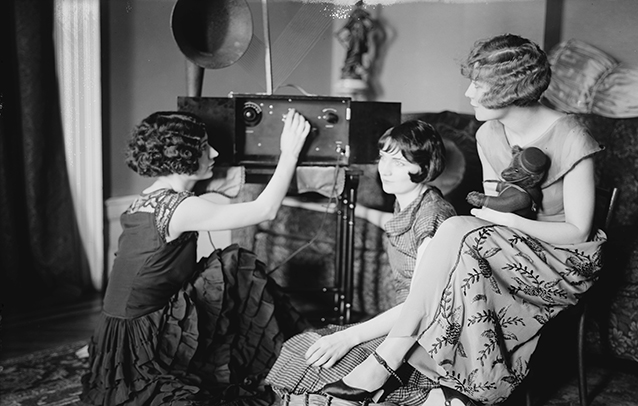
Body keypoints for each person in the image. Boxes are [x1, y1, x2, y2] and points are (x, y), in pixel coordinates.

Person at [320, 34, 607, 406]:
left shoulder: (572, 135)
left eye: (478, 83)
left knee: (457, 231)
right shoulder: (488, 133)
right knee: (461, 249)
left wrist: (509, 224)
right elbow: (501, 209)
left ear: (510, 89)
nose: (469, 93)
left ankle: (390, 361)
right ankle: (458, 393)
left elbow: (578, 231)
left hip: (565, 260)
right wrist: (500, 216)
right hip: (512, 248)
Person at [80, 109, 311, 406]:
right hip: (147, 340)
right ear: (182, 158)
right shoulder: (181, 208)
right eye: (204, 147)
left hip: (117, 334)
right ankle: (290, 355)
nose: (214, 151)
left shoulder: (149, 196)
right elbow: (264, 210)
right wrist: (289, 152)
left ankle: (282, 353)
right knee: (239, 264)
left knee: (230, 268)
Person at [265, 120, 457, 406]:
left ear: (423, 167)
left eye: (399, 162)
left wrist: (349, 338)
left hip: (423, 338)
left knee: (315, 371)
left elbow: (420, 305)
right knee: (299, 350)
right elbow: (393, 225)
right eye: (383, 157)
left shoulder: (433, 217)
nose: (385, 169)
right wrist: (334, 206)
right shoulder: (411, 201)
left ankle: (432, 397)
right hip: (401, 326)